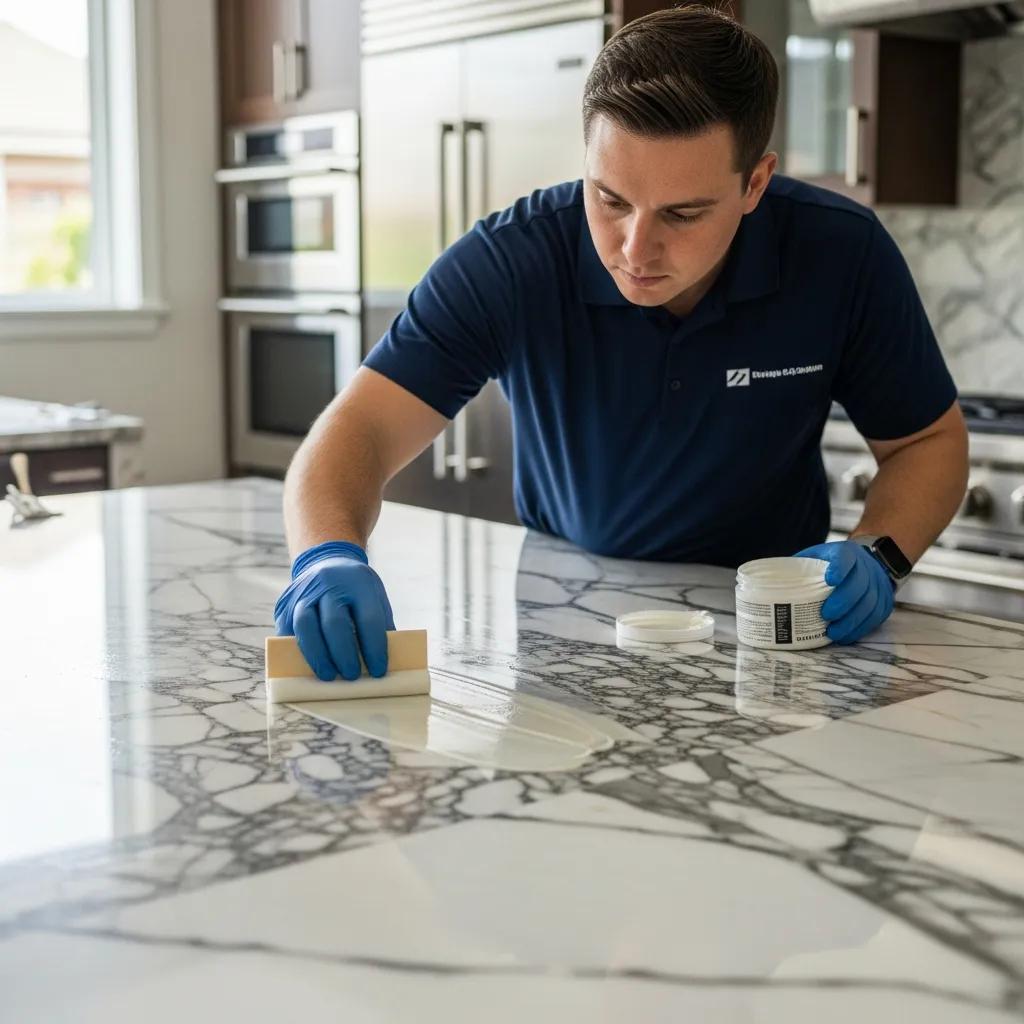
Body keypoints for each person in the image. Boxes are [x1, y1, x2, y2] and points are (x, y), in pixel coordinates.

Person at [274, 4, 968, 682]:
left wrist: (877, 553)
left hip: (774, 640)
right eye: (610, 199)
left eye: (683, 212)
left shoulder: (841, 254)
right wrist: (327, 557)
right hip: (563, 620)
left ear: (755, 182)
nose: (636, 248)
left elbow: (926, 443)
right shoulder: (512, 262)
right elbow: (358, 427)